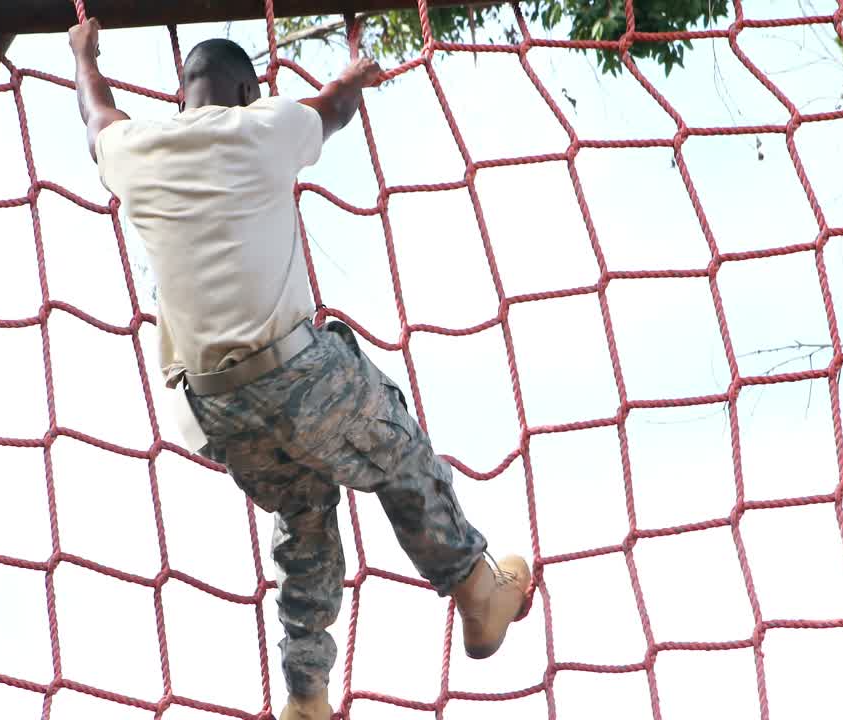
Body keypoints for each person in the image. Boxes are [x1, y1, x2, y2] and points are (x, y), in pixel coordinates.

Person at [68, 19, 532, 720]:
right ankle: (475, 585)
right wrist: (353, 68)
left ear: (181, 93)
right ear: (248, 89)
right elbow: (334, 108)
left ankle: (306, 694)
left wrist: (83, 55)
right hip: (294, 373)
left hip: (214, 406)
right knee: (395, 445)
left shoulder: (133, 150)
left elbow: (95, 111)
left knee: (305, 517)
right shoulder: (262, 127)